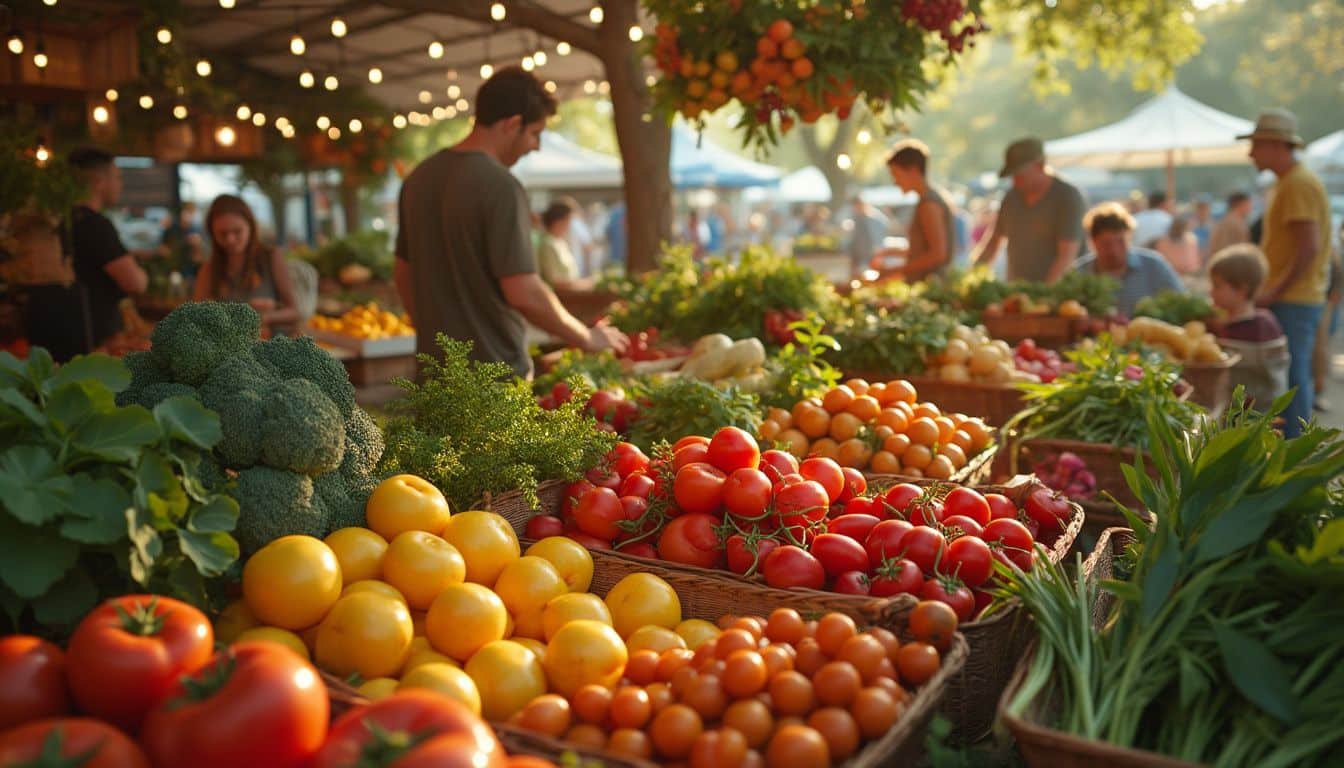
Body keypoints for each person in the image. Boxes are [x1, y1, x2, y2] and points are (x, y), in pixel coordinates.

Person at [393, 66, 627, 379]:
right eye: (535, 133)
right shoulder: (501, 185)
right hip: (492, 375)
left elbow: (403, 274)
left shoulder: (418, 178)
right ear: (513, 124)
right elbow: (523, 290)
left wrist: (433, 335)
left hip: (433, 375)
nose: (537, 146)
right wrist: (585, 336)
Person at [1241, 108, 1333, 435]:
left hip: (1294, 299)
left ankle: (1295, 456)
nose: (1251, 153)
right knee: (1290, 378)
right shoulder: (1290, 182)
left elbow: (1307, 247)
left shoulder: (1298, 184)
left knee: (1292, 380)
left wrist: (1274, 291)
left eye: (1257, 145)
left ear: (1276, 145)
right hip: (1293, 297)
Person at [971, 137, 1084, 284]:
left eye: (1020, 174)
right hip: (1017, 289)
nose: (1015, 180)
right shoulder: (1011, 198)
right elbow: (993, 243)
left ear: (1040, 165)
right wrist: (971, 278)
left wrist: (1044, 293)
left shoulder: (1067, 197)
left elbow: (1067, 255)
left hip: (1060, 294)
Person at [66, 147, 148, 348]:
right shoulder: (95, 224)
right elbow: (135, 282)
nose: (120, 185)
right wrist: (142, 273)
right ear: (98, 181)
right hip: (98, 340)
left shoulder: (66, 220)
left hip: (71, 332)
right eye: (117, 177)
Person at [192, 194, 300, 335]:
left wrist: (262, 317)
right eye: (222, 234)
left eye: (237, 231)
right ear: (212, 233)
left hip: (271, 348)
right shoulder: (208, 270)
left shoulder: (271, 257)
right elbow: (194, 317)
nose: (230, 239)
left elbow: (295, 311)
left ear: (251, 227)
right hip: (227, 353)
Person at [1206, 244, 1288, 409]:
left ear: (1241, 290)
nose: (1210, 292)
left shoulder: (1250, 330)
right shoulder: (1267, 320)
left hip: (1244, 412)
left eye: (1217, 285)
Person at [1072, 202, 1184, 318]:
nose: (1114, 250)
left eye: (1120, 242)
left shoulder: (1154, 266)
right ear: (1093, 242)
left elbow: (1180, 301)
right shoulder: (1079, 274)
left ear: (1129, 237)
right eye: (1106, 244)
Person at [874, 139, 954, 281]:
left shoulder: (929, 204)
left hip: (931, 287)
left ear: (913, 170)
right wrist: (891, 252)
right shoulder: (928, 199)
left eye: (896, 174)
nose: (895, 181)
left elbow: (938, 254)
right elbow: (923, 250)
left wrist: (892, 271)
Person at [536, 199, 581, 287]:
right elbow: (555, 281)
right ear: (558, 222)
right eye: (568, 221)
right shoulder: (547, 244)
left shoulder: (560, 242)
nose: (569, 225)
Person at [846, 196, 888, 279]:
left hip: (872, 259)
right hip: (860, 260)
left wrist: (878, 258)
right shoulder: (857, 219)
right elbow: (854, 241)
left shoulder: (875, 220)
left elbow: (878, 242)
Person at [1208, 191, 1253, 260]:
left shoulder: (1224, 221)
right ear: (1241, 204)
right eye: (1248, 204)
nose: (1250, 208)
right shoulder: (1236, 223)